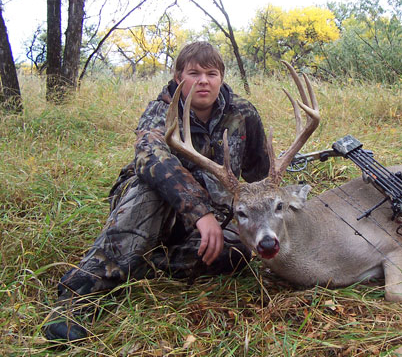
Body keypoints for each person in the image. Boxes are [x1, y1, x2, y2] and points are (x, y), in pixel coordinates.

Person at [43, 41, 271, 342]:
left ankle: (144, 264)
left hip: (214, 216)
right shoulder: (162, 110)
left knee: (238, 254)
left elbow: (260, 179)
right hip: (155, 206)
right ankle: (77, 297)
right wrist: (200, 212)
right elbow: (150, 157)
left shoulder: (243, 113)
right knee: (150, 189)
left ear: (222, 77)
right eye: (194, 73)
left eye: (212, 73)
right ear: (179, 77)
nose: (204, 80)